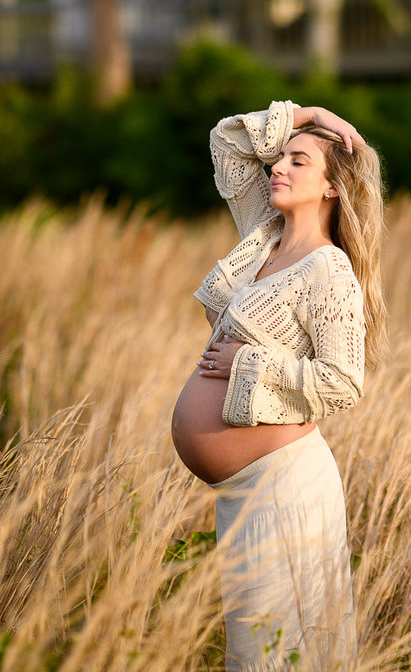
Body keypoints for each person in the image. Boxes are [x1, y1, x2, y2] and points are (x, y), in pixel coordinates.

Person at [171, 100, 387, 670]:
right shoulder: (262, 238)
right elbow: (227, 141)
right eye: (280, 159)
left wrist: (252, 362)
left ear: (332, 189)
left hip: (284, 490)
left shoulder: (329, 270)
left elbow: (344, 381)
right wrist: (313, 114)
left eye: (297, 162)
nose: (278, 168)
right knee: (256, 651)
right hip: (242, 496)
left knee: (277, 653)